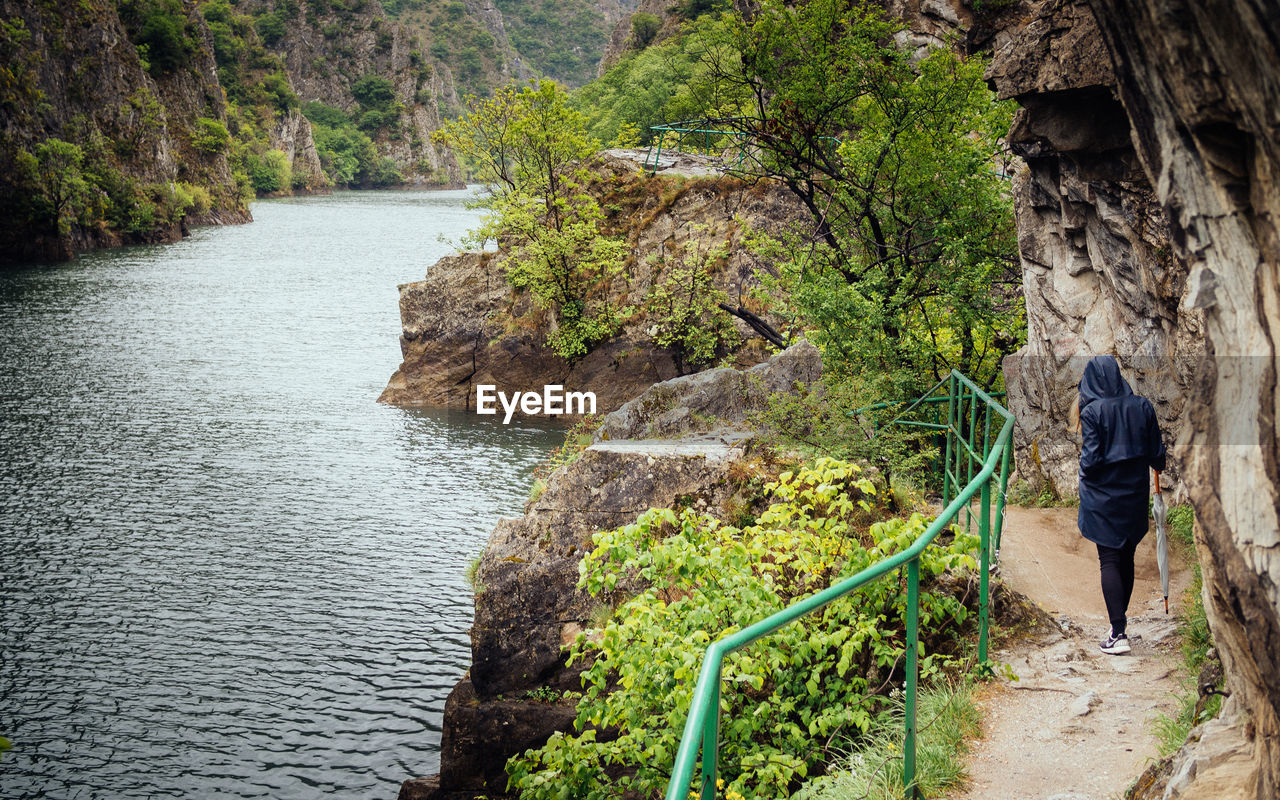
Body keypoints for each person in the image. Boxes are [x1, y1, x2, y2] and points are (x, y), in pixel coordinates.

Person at [1071, 355, 1166, 655]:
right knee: (1126, 557)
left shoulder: (1092, 412)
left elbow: (1092, 460)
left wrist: (1083, 474)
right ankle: (1118, 628)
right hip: (1134, 496)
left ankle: (1119, 632)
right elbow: (1157, 457)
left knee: (1109, 560)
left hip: (1103, 498)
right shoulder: (1142, 406)